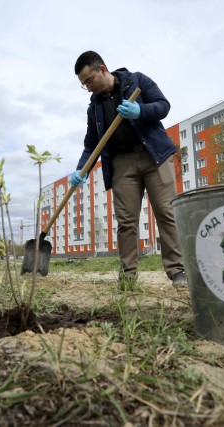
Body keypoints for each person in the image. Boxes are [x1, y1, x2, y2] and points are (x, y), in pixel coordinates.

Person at [70, 51, 186, 288]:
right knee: (126, 221)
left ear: (102, 69)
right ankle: (129, 275)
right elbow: (91, 144)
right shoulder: (94, 108)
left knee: (166, 213)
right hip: (122, 164)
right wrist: (81, 170)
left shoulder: (137, 81)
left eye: (89, 80)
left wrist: (140, 112)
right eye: (84, 85)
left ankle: (177, 271)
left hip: (154, 156)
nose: (88, 87)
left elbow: (163, 106)